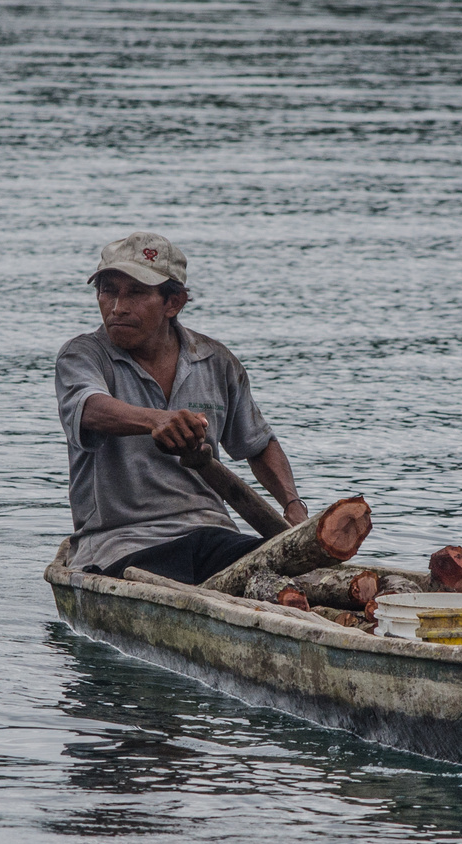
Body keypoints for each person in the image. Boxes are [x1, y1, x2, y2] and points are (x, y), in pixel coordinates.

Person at [54, 231, 308, 584]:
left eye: (136, 293)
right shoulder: (83, 356)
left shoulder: (215, 360)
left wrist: (293, 506)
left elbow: (259, 444)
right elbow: (90, 409)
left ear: (173, 303)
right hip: (120, 543)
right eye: (108, 290)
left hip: (211, 532)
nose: (117, 307)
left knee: (288, 576)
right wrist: (157, 420)